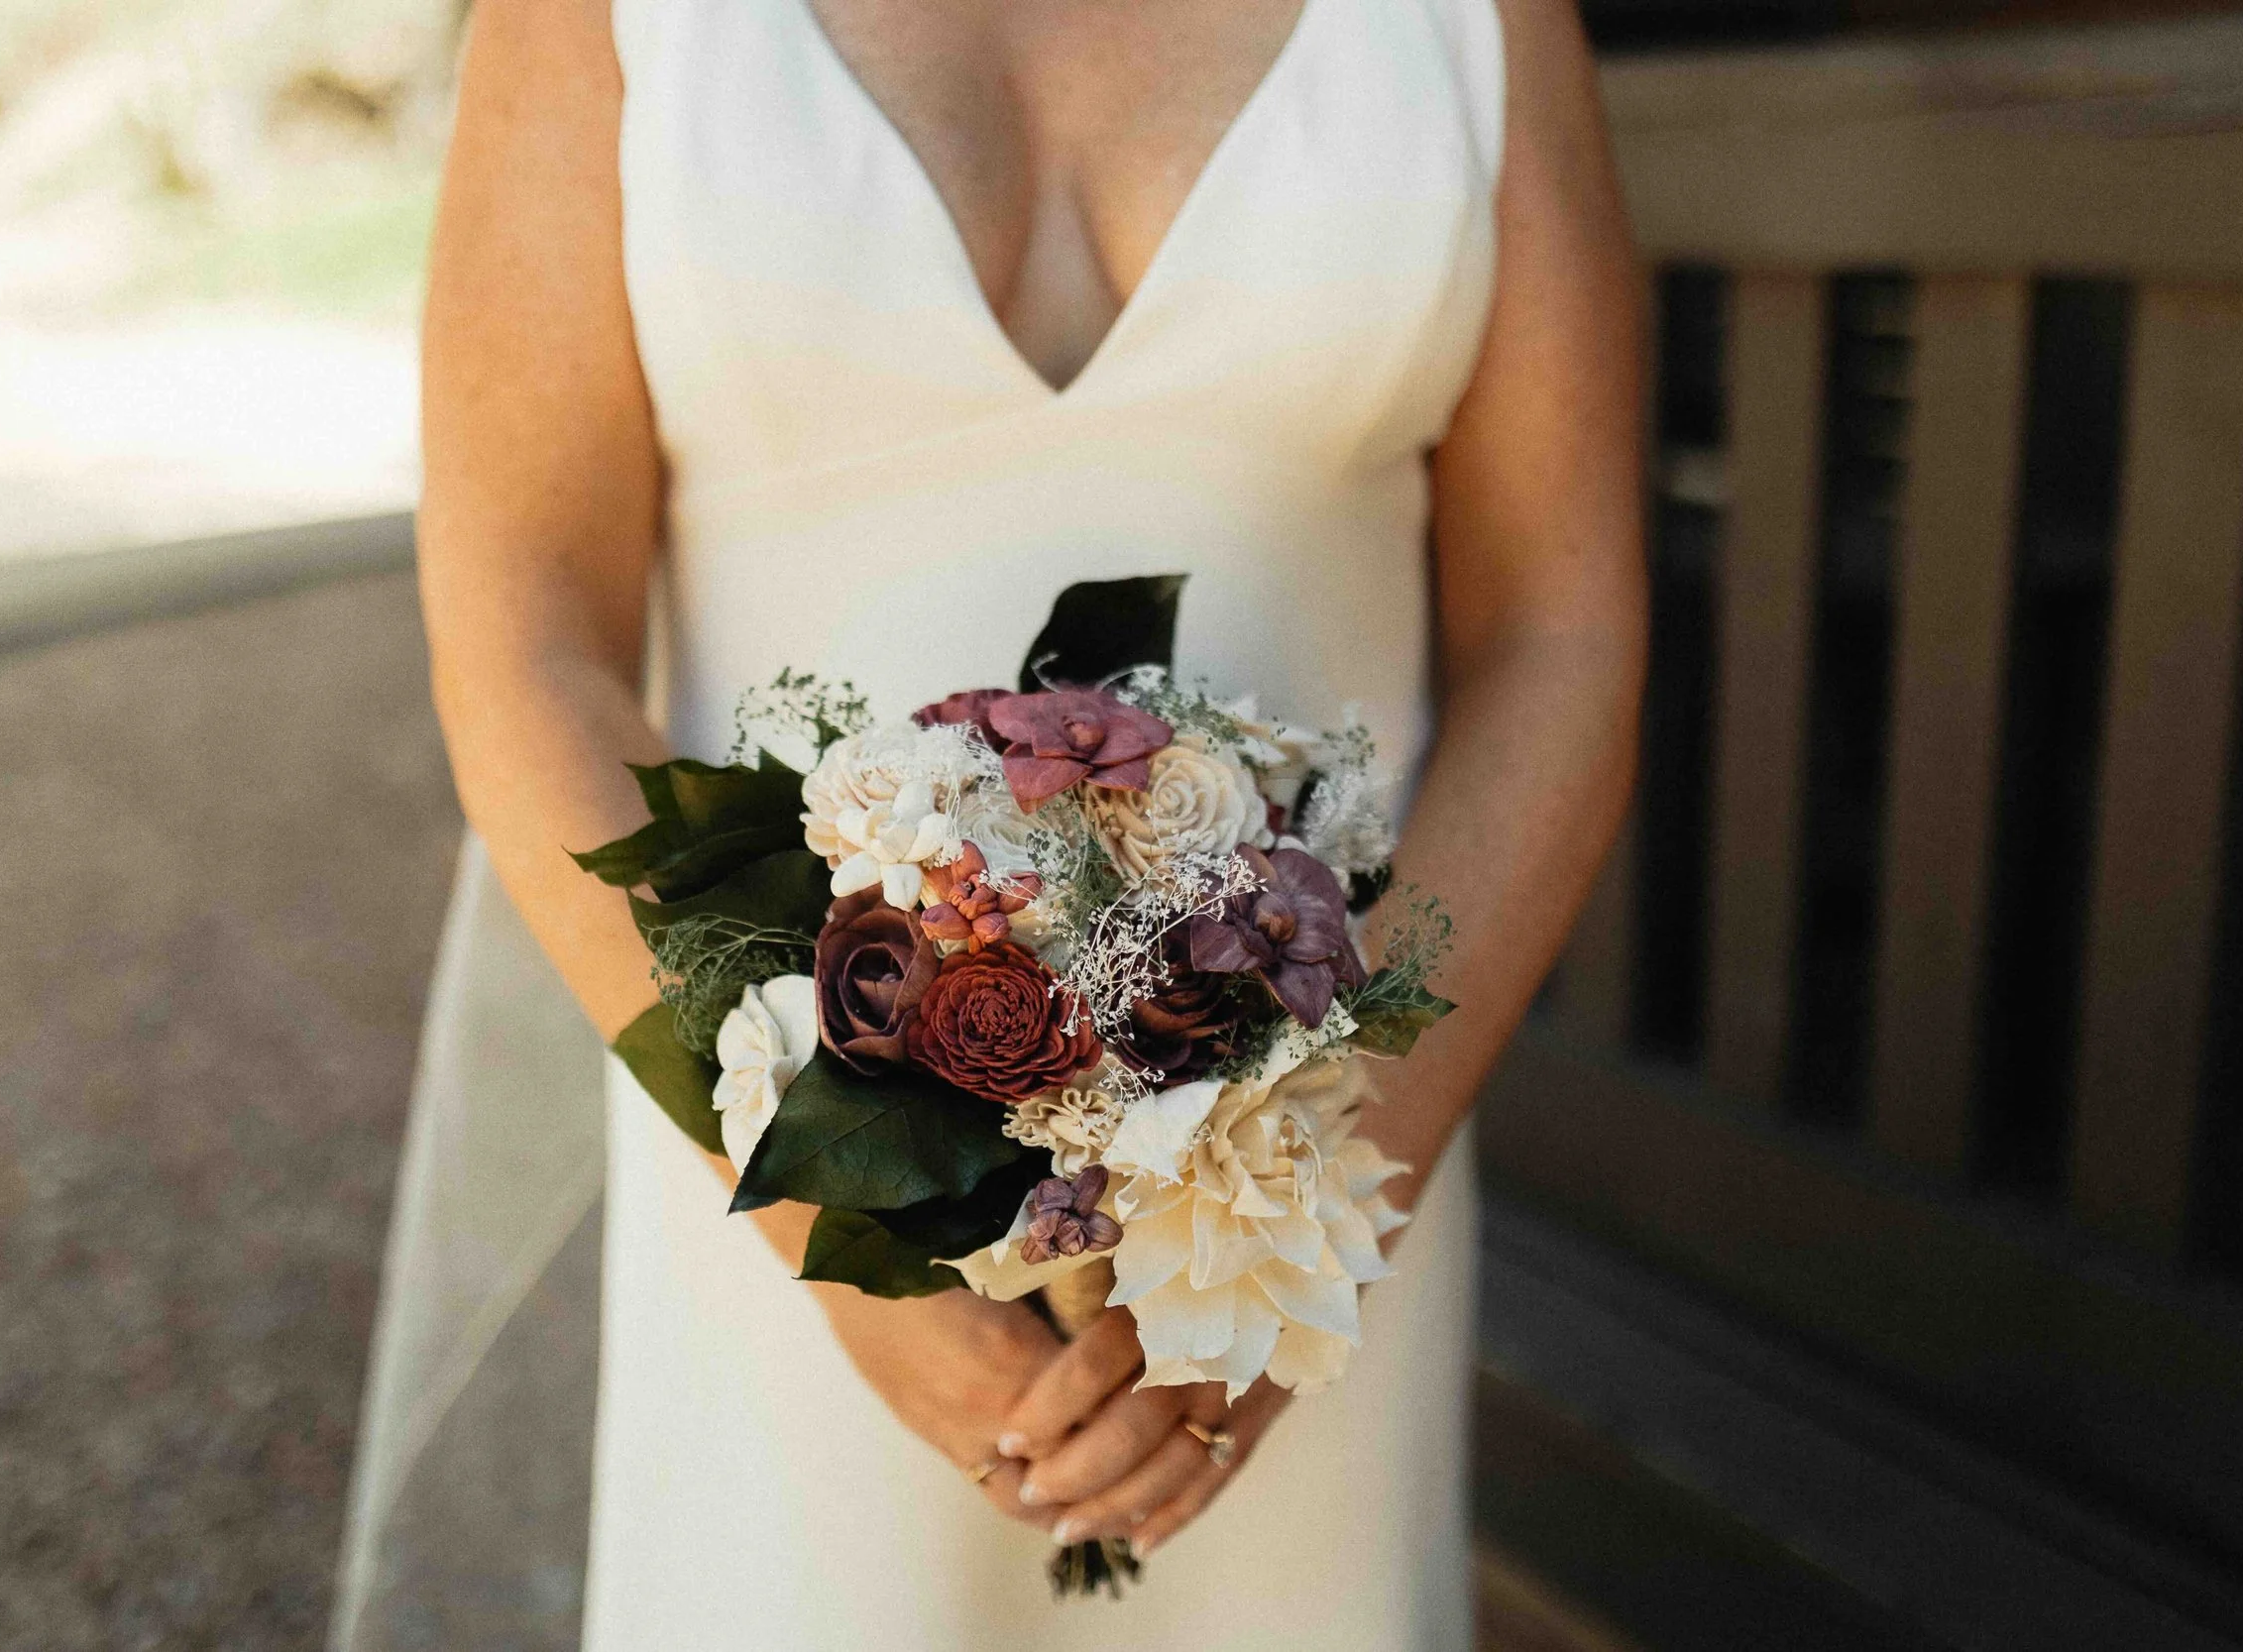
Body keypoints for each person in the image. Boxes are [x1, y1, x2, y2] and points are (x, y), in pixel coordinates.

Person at [396, 0, 1642, 1643]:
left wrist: (1306, 1209)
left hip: (1310, 1179)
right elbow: (524, 639)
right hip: (775, 1163)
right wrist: (829, 1211)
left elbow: (1561, 627)